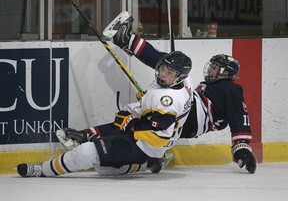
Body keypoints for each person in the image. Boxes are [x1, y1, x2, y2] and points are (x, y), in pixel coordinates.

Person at [16, 12, 193, 177]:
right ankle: (96, 138)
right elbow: (156, 58)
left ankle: (42, 170)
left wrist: (132, 125)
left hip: (147, 145)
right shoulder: (184, 80)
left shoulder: (167, 101)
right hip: (151, 135)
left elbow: (157, 132)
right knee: (105, 166)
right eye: (163, 69)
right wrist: (129, 41)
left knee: (88, 153)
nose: (162, 74)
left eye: (169, 73)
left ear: (179, 76)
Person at [101, 11, 257, 174]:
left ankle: (127, 39)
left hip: (193, 117)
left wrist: (242, 147)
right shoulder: (213, 86)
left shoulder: (230, 89)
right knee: (134, 116)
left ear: (226, 73)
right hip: (190, 116)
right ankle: (151, 156)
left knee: (169, 63)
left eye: (216, 68)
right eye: (212, 65)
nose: (210, 69)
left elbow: (240, 116)